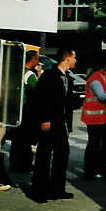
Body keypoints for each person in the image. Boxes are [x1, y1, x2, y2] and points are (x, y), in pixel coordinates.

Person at [30, 48, 78, 202]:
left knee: (62, 155)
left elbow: (67, 103)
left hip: (61, 123)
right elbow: (41, 99)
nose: (75, 61)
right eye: (74, 57)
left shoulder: (67, 77)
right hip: (50, 122)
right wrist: (45, 119)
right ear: (67, 57)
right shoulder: (49, 76)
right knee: (44, 156)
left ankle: (57, 189)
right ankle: (39, 191)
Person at [82, 53, 106, 180]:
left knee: (105, 145)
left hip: (105, 117)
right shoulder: (95, 78)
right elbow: (102, 96)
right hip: (94, 119)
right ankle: (90, 171)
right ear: (104, 64)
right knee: (94, 145)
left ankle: (102, 169)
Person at [9, 50, 41, 172]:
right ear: (32, 59)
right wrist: (38, 74)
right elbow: (38, 91)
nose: (38, 61)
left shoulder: (16, 71)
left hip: (14, 109)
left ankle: (14, 163)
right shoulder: (30, 75)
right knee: (25, 140)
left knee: (16, 140)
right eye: (37, 59)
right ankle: (24, 164)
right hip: (26, 110)